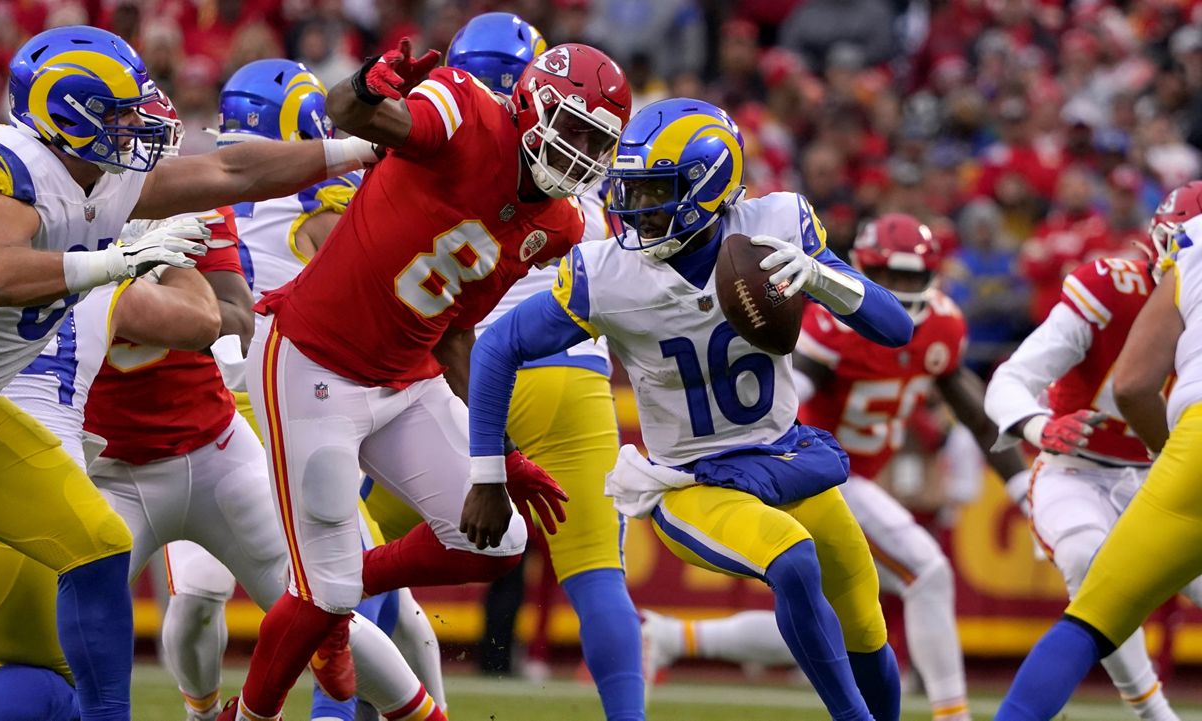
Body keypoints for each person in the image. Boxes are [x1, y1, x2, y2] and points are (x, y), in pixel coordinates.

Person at [0, 24, 377, 721]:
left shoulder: (104, 177)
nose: (140, 123)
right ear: (67, 113)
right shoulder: (2, 160)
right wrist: (115, 264)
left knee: (97, 544)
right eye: (120, 112)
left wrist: (364, 146)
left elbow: (232, 173)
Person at [217, 39, 632, 721]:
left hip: (407, 375)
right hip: (313, 361)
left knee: (501, 541)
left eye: (597, 139)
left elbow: (459, 333)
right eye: (574, 127)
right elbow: (348, 111)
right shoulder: (466, 112)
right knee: (323, 590)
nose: (581, 150)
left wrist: (499, 458)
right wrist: (368, 83)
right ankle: (251, 714)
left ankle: (351, 590)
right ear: (531, 102)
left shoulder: (556, 223)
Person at [465, 97, 913, 721]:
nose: (632, 209)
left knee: (865, 622)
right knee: (793, 557)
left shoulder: (776, 227)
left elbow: (897, 330)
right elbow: (497, 347)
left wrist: (818, 278)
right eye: (628, 189)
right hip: (694, 481)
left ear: (708, 186)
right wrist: (488, 470)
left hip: (784, 456)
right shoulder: (608, 274)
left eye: (653, 191)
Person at [363, 13, 644, 719]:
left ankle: (338, 713)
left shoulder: (450, 126)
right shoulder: (581, 146)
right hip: (568, 372)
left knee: (361, 552)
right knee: (596, 575)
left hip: (451, 368)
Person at [642, 213, 1030, 721]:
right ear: (865, 268)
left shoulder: (941, 325)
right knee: (928, 573)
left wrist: (1023, 485)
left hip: (862, 477)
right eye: (889, 277)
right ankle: (952, 713)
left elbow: (976, 416)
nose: (900, 288)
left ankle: (671, 637)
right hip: (821, 472)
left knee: (834, 622)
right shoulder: (834, 324)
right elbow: (792, 390)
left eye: (913, 278)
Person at [153, 59, 444, 721]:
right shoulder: (201, 190)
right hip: (218, 417)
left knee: (348, 580)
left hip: (300, 410)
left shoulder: (322, 207)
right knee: (202, 595)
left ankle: (405, 709)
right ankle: (203, 712)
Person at [0, 215, 224, 721]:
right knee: (59, 682)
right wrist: (168, 256)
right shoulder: (106, 278)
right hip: (26, 517)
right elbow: (203, 321)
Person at [994, 185, 1202, 720]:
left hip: (1161, 478)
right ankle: (1153, 711)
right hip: (1077, 472)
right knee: (1090, 560)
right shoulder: (1112, 288)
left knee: (1096, 605)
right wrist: (1042, 427)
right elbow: (1012, 379)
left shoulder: (1184, 278)